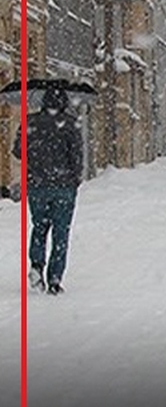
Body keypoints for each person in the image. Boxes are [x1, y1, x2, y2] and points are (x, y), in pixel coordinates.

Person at [12, 85, 84, 295]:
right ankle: (54, 279)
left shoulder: (29, 122)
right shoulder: (70, 124)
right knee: (61, 233)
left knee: (39, 227)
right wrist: (74, 179)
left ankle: (36, 266)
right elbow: (77, 158)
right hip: (63, 187)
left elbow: (18, 152)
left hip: (37, 186)